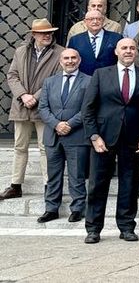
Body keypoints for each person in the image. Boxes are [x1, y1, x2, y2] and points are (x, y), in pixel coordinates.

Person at [81, 38, 139, 243]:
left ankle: (126, 226)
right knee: (97, 184)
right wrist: (94, 136)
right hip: (104, 138)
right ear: (116, 51)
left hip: (133, 138)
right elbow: (88, 108)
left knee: (130, 184)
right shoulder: (100, 74)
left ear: (137, 52)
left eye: (132, 48)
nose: (128, 51)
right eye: (124, 48)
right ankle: (94, 228)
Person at [4, 18, 64, 200]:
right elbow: (12, 75)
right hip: (22, 106)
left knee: (46, 147)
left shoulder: (59, 52)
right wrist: (23, 95)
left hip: (44, 107)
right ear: (34, 34)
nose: (48, 35)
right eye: (44, 32)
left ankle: (49, 186)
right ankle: (15, 185)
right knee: (19, 146)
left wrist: (35, 97)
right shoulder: (21, 50)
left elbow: (56, 78)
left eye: (50, 32)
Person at [35, 49, 89, 223]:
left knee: (77, 174)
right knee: (53, 175)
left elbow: (88, 108)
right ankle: (51, 209)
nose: (70, 61)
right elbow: (43, 108)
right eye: (66, 58)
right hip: (53, 135)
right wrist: (56, 124)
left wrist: (70, 124)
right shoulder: (50, 82)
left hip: (77, 135)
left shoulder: (88, 81)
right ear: (60, 61)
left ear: (79, 61)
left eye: (74, 58)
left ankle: (78, 208)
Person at [68, 10, 121, 75]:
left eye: (99, 19)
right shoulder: (75, 40)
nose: (95, 22)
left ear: (103, 21)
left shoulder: (116, 38)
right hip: (84, 80)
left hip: (109, 78)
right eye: (91, 19)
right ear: (85, 22)